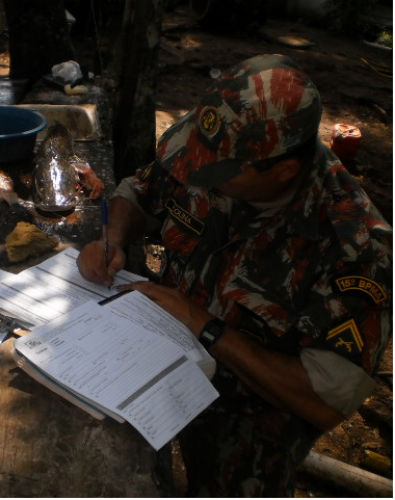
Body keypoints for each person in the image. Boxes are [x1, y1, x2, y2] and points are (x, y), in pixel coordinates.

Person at [77, 54, 392, 497]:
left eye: (218, 173)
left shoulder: (355, 246)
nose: (198, 177)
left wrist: (202, 324)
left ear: (284, 170)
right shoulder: (213, 144)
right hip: (148, 361)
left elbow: (323, 402)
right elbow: (142, 191)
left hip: (249, 427)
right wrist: (112, 235)